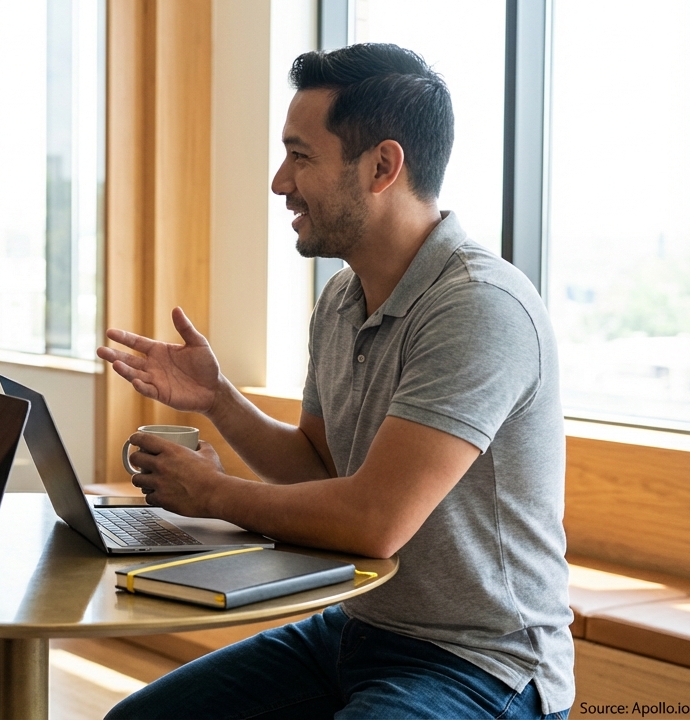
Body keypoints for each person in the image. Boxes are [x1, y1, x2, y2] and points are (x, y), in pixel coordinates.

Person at [99, 44, 573, 719]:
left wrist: (214, 494)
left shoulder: (478, 306)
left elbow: (375, 524)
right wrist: (218, 400)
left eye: (301, 156)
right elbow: (318, 468)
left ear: (382, 166)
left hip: (483, 663)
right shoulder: (342, 299)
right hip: (356, 626)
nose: (279, 182)